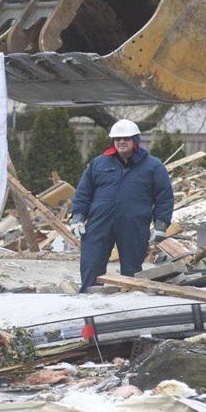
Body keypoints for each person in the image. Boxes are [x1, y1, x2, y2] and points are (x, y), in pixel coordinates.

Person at [70, 119, 173, 293]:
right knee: (91, 263)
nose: (121, 142)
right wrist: (78, 218)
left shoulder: (153, 166)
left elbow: (164, 197)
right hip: (99, 224)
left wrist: (161, 225)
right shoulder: (98, 164)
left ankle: (129, 302)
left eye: (126, 138)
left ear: (135, 140)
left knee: (132, 269)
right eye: (117, 139)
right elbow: (83, 194)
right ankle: (89, 300)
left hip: (134, 225)